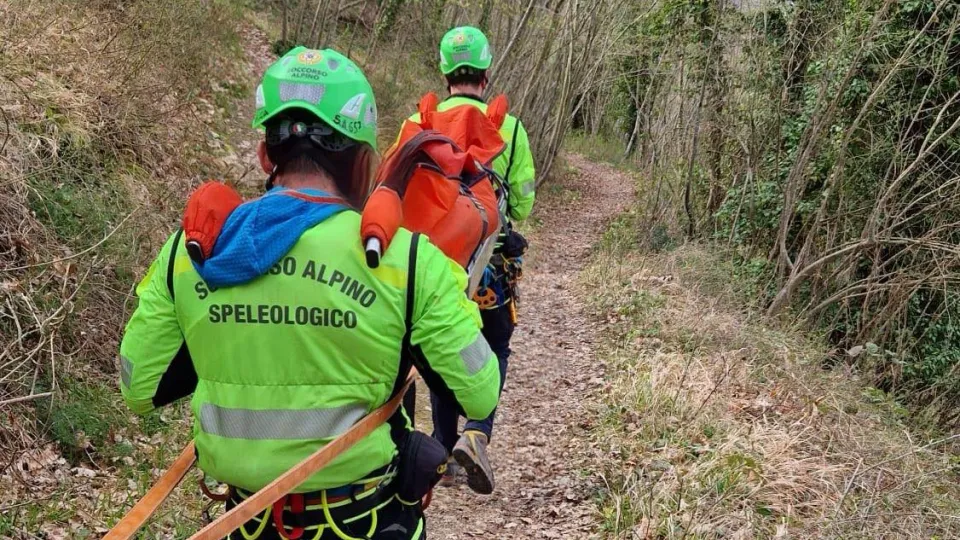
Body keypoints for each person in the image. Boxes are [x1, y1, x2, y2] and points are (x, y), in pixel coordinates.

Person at [118, 46, 501, 540]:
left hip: (246, 523)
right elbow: (480, 387)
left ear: (264, 156)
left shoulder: (193, 253)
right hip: (365, 523)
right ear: (365, 162)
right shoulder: (407, 260)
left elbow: (138, 386)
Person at [402, 26, 536, 495]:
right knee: (494, 344)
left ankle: (442, 444)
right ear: (485, 71)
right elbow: (522, 201)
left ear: (444, 70)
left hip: (431, 266)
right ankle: (477, 431)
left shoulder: (420, 122)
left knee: (441, 349)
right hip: (491, 264)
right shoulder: (511, 130)